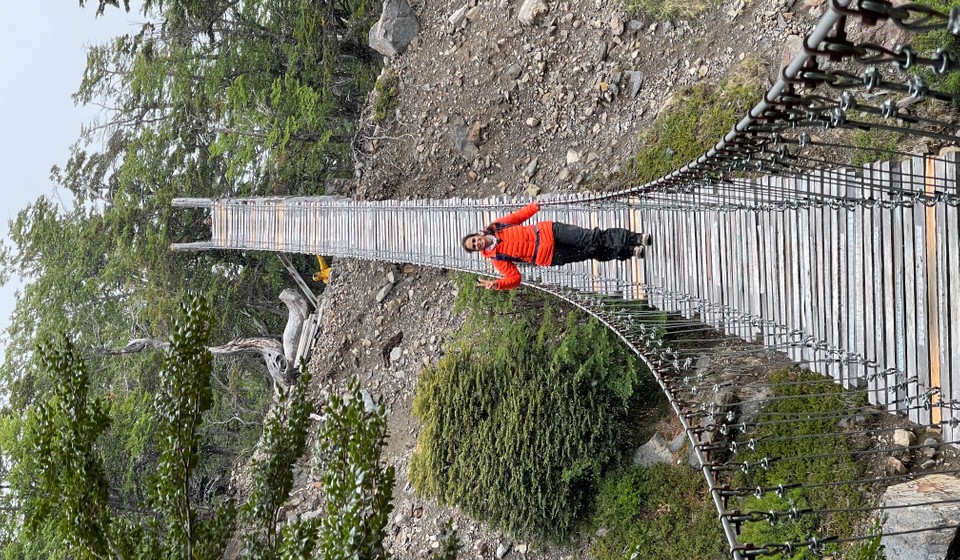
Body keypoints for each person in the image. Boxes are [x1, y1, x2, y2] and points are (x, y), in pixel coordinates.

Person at [461, 201, 653, 290]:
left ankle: (634, 238)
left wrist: (533, 207)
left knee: (592, 237)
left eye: (474, 240)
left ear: (478, 235)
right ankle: (628, 251)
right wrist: (499, 284)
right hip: (551, 255)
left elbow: (517, 217)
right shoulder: (497, 260)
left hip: (549, 231)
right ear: (477, 250)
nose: (477, 243)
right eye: (474, 246)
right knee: (591, 250)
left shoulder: (496, 226)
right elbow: (515, 278)